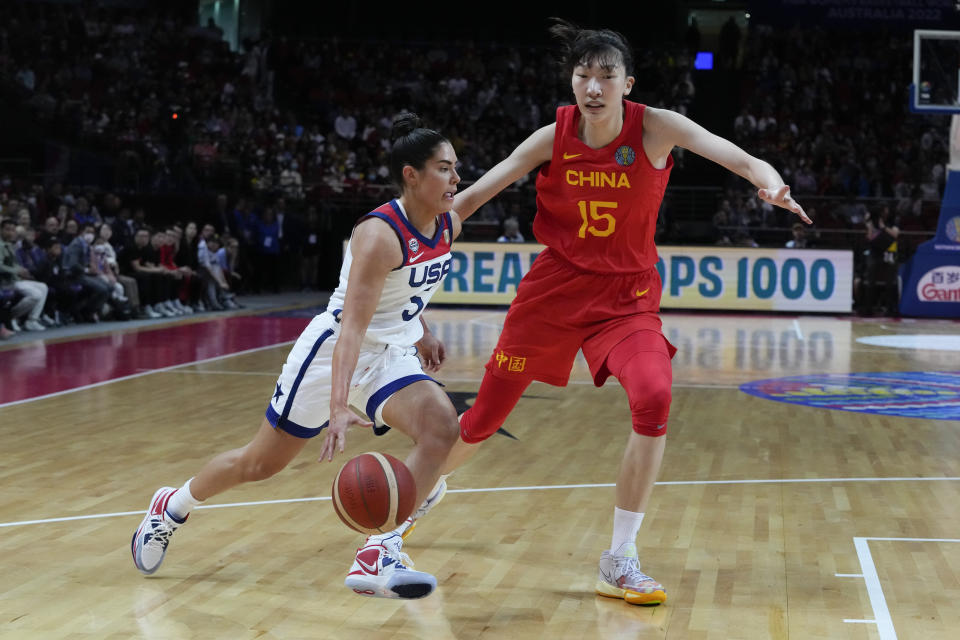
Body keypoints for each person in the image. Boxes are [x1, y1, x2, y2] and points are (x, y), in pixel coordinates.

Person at [390, 19, 811, 607]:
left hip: (627, 298)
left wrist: (770, 182)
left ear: (626, 84)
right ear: (573, 82)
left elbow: (735, 157)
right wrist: (413, 229)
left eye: (605, 76)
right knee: (481, 421)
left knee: (654, 396)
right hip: (554, 292)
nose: (592, 86)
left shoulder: (656, 128)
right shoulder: (551, 136)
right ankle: (408, 510)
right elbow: (477, 194)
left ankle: (620, 557)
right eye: (583, 75)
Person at [131, 112, 465, 601]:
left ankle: (379, 550)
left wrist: (421, 331)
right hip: (331, 354)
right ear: (411, 175)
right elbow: (353, 325)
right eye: (445, 168)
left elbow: (400, 293)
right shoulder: (377, 233)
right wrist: (336, 405)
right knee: (258, 464)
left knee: (441, 428)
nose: (458, 178)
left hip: (387, 355)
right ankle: (171, 505)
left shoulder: (444, 220)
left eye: (457, 168)